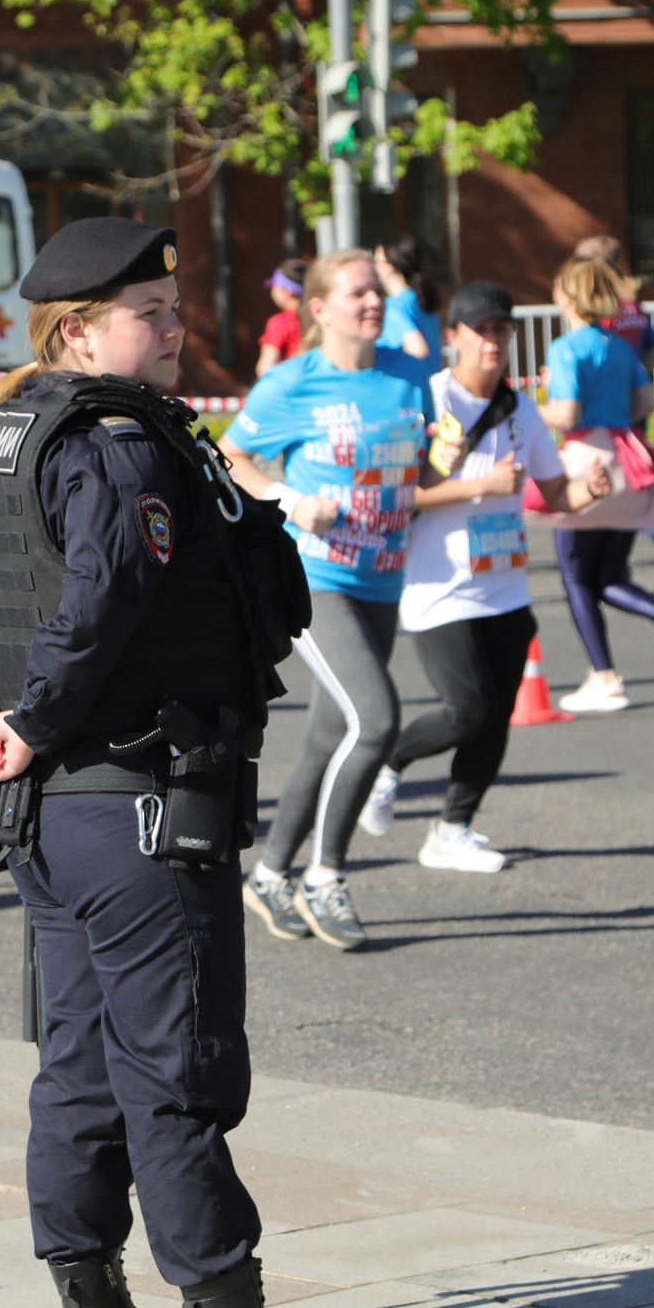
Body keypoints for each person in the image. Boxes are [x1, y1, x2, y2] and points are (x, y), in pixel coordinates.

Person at [0, 214, 308, 1308]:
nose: (171, 325)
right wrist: (34, 717)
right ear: (76, 330)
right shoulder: (121, 444)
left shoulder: (12, 432)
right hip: (138, 802)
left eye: (172, 305)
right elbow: (102, 595)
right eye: (145, 314)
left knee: (82, 1068)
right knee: (176, 1075)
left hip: (50, 815)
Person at [221, 248, 429, 953]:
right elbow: (231, 457)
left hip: (384, 576)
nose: (372, 302)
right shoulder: (291, 384)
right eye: (356, 293)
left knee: (326, 734)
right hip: (316, 578)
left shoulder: (409, 377)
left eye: (376, 291)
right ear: (318, 308)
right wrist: (289, 499)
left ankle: (270, 873)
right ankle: (325, 875)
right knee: (376, 720)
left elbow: (428, 462)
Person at [367, 282, 604, 872]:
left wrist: (589, 491)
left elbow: (554, 493)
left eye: (502, 329)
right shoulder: (428, 401)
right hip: (437, 585)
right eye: (481, 330)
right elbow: (405, 492)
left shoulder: (520, 407)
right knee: (466, 709)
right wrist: (482, 485)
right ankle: (386, 763)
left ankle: (453, 829)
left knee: (495, 715)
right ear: (454, 338)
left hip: (505, 584)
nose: (493, 341)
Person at [541, 253, 654, 712]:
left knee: (576, 576)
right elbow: (642, 401)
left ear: (568, 295)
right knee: (607, 574)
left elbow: (566, 413)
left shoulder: (565, 347)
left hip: (584, 458)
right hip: (626, 458)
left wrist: (528, 411)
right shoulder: (618, 344)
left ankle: (605, 675)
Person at [373, 234, 443, 363]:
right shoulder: (422, 298)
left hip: (408, 382)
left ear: (390, 266)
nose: (373, 268)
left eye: (376, 262)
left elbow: (419, 350)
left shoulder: (392, 307)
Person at [254, 259, 307, 377]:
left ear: (287, 292)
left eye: (275, 286)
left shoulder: (279, 323)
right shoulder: (319, 318)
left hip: (289, 390)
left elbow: (265, 369)